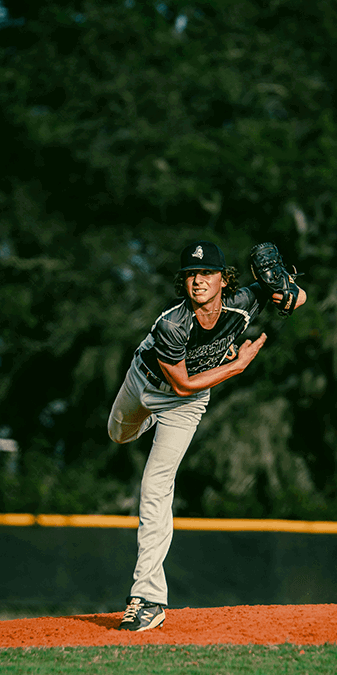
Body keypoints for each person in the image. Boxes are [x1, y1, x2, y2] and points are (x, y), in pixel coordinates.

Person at [107, 240, 307, 631]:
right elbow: (180, 382)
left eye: (206, 273)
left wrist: (281, 287)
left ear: (223, 278)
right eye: (191, 275)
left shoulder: (243, 303)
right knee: (117, 434)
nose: (198, 280)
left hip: (187, 404)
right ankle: (147, 424)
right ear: (183, 283)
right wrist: (238, 365)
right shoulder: (172, 323)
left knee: (155, 486)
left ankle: (147, 599)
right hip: (145, 385)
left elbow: (297, 300)